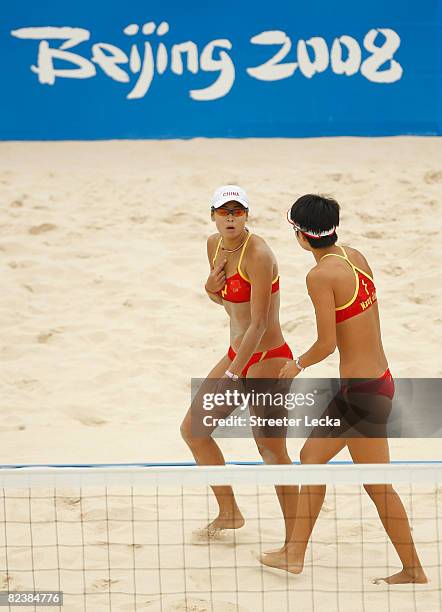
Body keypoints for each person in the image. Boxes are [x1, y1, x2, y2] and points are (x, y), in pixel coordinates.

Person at [260, 194, 427, 584]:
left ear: (301, 236)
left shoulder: (319, 276)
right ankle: (295, 553)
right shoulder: (355, 256)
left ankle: (412, 569)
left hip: (362, 395)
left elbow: (326, 344)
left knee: (368, 480)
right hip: (374, 383)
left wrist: (296, 365)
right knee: (314, 457)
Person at [180, 185, 297, 542]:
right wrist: (209, 289)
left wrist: (232, 375)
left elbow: (259, 324)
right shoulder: (213, 246)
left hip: (268, 360)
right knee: (194, 430)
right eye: (224, 211)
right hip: (237, 354)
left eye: (237, 211)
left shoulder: (258, 254)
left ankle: (296, 538)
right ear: (212, 215)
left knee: (272, 451)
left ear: (247, 215)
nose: (231, 217)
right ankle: (229, 513)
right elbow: (230, 304)